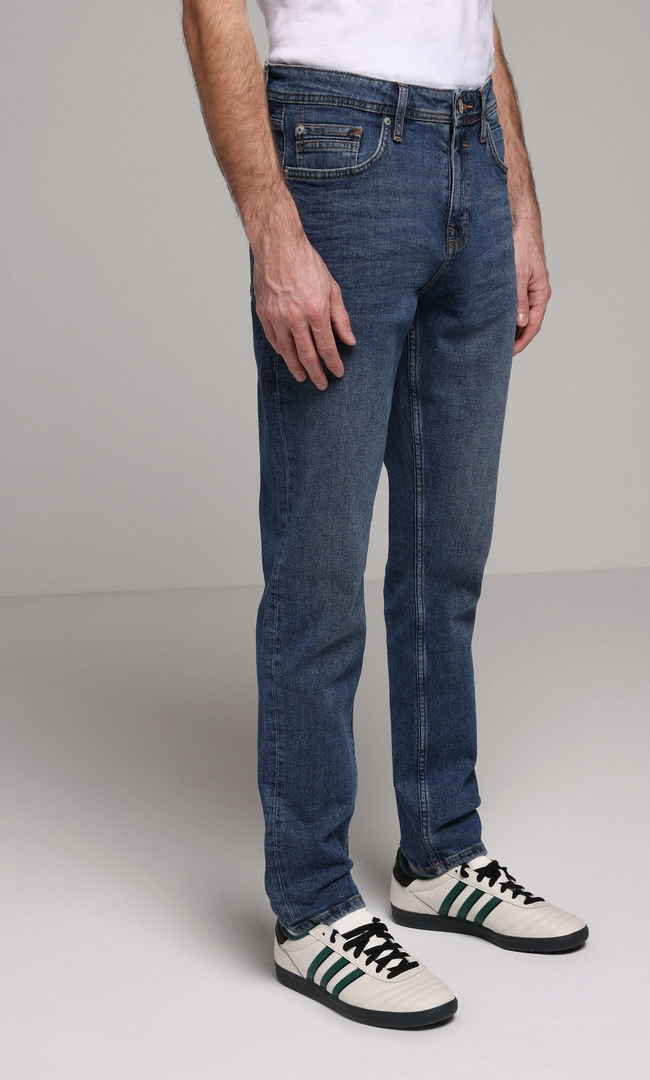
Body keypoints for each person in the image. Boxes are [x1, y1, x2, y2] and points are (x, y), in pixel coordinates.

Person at [182, 0, 588, 1029]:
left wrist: (516, 196)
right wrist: (272, 230)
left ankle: (441, 853)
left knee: (448, 559)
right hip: (339, 144)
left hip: (473, 148)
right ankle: (313, 905)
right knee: (319, 573)